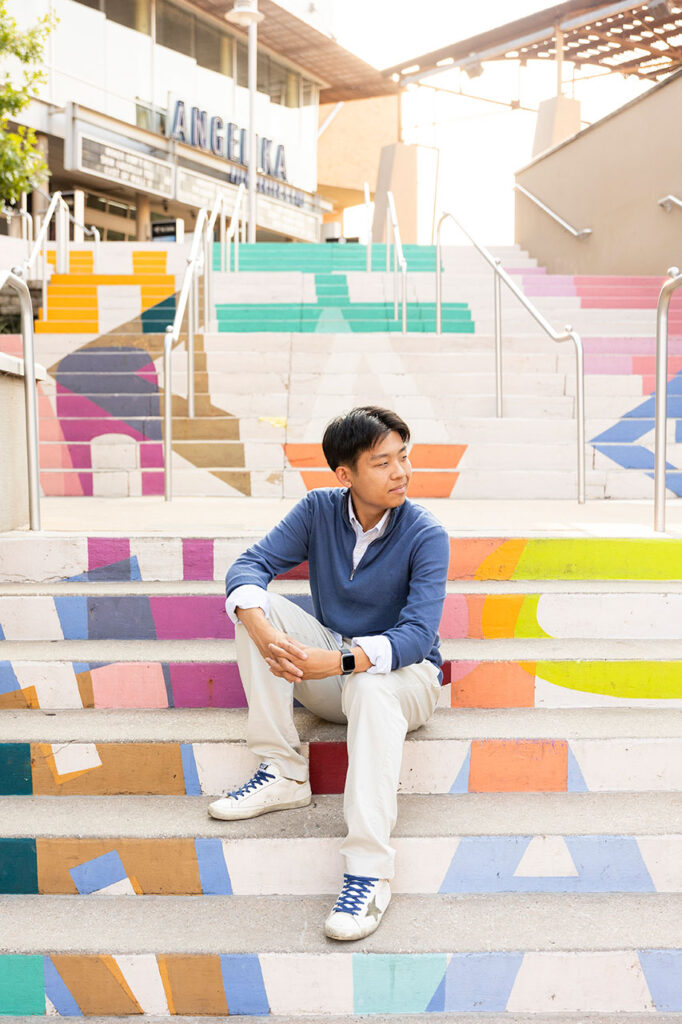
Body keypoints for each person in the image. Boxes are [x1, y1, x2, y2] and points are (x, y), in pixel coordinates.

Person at [209, 406, 450, 940]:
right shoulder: (319, 510)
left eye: (404, 457)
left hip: (406, 683)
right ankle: (282, 771)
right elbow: (247, 567)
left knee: (368, 681)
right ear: (346, 475)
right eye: (383, 462)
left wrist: (341, 660)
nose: (401, 473)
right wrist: (265, 633)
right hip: (336, 673)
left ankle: (368, 872)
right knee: (255, 607)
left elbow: (416, 635)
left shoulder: (425, 533)